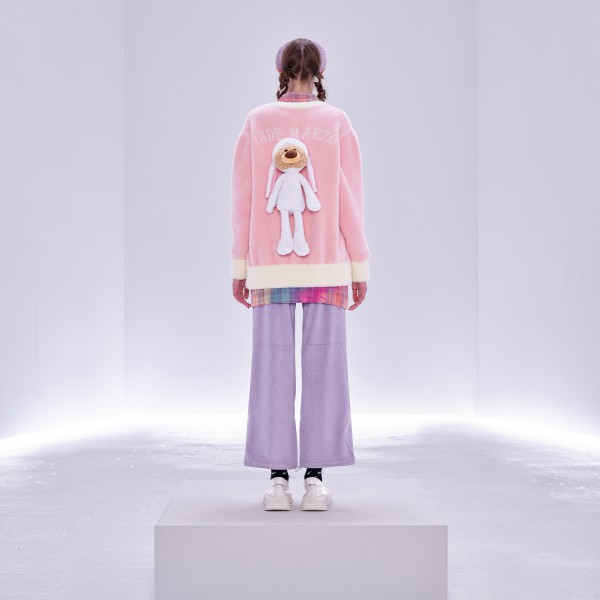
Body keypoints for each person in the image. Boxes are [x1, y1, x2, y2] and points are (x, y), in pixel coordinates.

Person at [230, 38, 370, 511]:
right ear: (321, 72)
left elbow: (244, 199)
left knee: (270, 367)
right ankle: (314, 480)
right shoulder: (337, 121)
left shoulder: (257, 121)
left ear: (280, 71)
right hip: (326, 262)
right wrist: (359, 263)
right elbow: (350, 199)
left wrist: (240, 264)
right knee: (326, 367)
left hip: (268, 265)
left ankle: (276, 482)